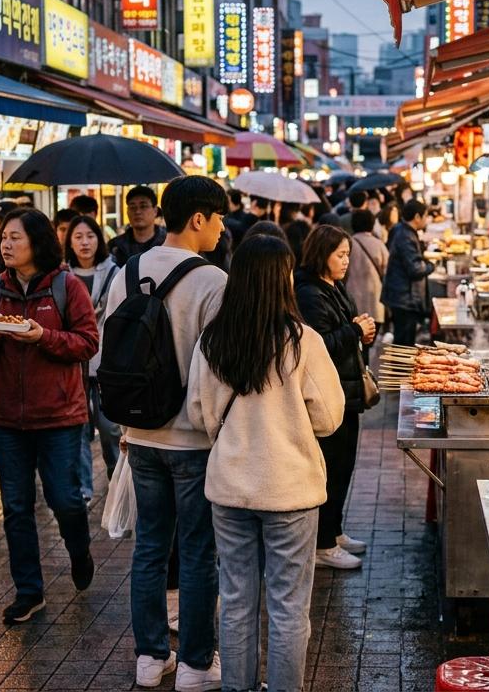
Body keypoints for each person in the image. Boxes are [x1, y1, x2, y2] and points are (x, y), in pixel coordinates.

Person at [187, 235, 345, 692]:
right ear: (284, 280)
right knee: (289, 607)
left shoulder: (213, 341)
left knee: (236, 602)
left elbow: (199, 415)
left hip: (230, 488)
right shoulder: (302, 342)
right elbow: (329, 417)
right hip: (290, 490)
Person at [103, 176, 228, 691]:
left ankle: (150, 659)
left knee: (150, 547)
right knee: (199, 552)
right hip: (193, 442)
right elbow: (216, 372)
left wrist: (126, 428)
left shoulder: (125, 272)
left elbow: (111, 358)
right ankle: (197, 665)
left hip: (141, 436)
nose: (222, 229)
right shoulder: (212, 281)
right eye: (218, 218)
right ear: (197, 219)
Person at [0, 209, 100, 625]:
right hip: (7, 417)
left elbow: (87, 342)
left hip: (59, 415)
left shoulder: (66, 286)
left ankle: (79, 550)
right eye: (3, 238)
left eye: (15, 238)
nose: (5, 245)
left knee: (64, 498)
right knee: (16, 507)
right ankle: (29, 591)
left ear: (38, 243)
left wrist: (42, 336)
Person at [295, 225, 376, 570]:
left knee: (343, 467)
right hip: (329, 394)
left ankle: (335, 530)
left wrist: (361, 332)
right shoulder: (309, 293)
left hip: (347, 390)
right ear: (321, 253)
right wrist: (356, 330)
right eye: (340, 255)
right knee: (329, 468)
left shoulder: (334, 286)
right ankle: (323, 544)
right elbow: (320, 346)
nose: (346, 261)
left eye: (348, 255)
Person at [65, 214, 120, 500]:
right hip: (73, 364)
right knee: (79, 429)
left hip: (106, 363)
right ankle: (85, 488)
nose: (84, 242)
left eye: (89, 236)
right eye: (78, 237)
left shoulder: (115, 273)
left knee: (110, 428)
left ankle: (115, 475)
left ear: (99, 239)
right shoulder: (62, 277)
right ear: (69, 242)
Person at [381, 200, 435, 347]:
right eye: (425, 216)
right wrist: (431, 266)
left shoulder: (401, 230)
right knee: (404, 343)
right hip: (404, 297)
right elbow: (415, 269)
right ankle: (402, 370)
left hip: (400, 295)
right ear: (417, 217)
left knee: (403, 340)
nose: (426, 219)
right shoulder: (406, 236)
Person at [347, 210, 388, 328]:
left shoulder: (348, 243)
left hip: (352, 297)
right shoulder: (379, 244)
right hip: (374, 298)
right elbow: (386, 270)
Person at [111, 185, 168, 266]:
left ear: (155, 211)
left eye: (143, 206)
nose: (137, 212)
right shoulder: (116, 246)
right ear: (127, 212)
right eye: (132, 207)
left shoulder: (168, 242)